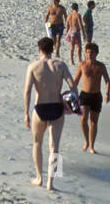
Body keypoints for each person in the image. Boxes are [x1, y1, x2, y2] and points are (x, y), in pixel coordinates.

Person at [22, 37, 77, 190]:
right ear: (52, 49)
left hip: (40, 108)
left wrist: (26, 113)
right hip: (57, 107)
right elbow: (73, 86)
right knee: (55, 147)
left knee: (37, 143)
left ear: (39, 49)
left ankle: (39, 177)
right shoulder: (60, 65)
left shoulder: (33, 66)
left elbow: (27, 90)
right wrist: (73, 106)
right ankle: (51, 183)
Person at [75, 42, 110, 153]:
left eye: (92, 53)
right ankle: (86, 141)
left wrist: (107, 93)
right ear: (85, 53)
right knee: (83, 120)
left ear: (97, 54)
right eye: (88, 52)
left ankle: (91, 146)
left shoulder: (100, 66)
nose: (90, 55)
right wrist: (72, 93)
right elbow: (75, 80)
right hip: (84, 95)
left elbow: (107, 81)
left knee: (93, 122)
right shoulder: (82, 65)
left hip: (96, 96)